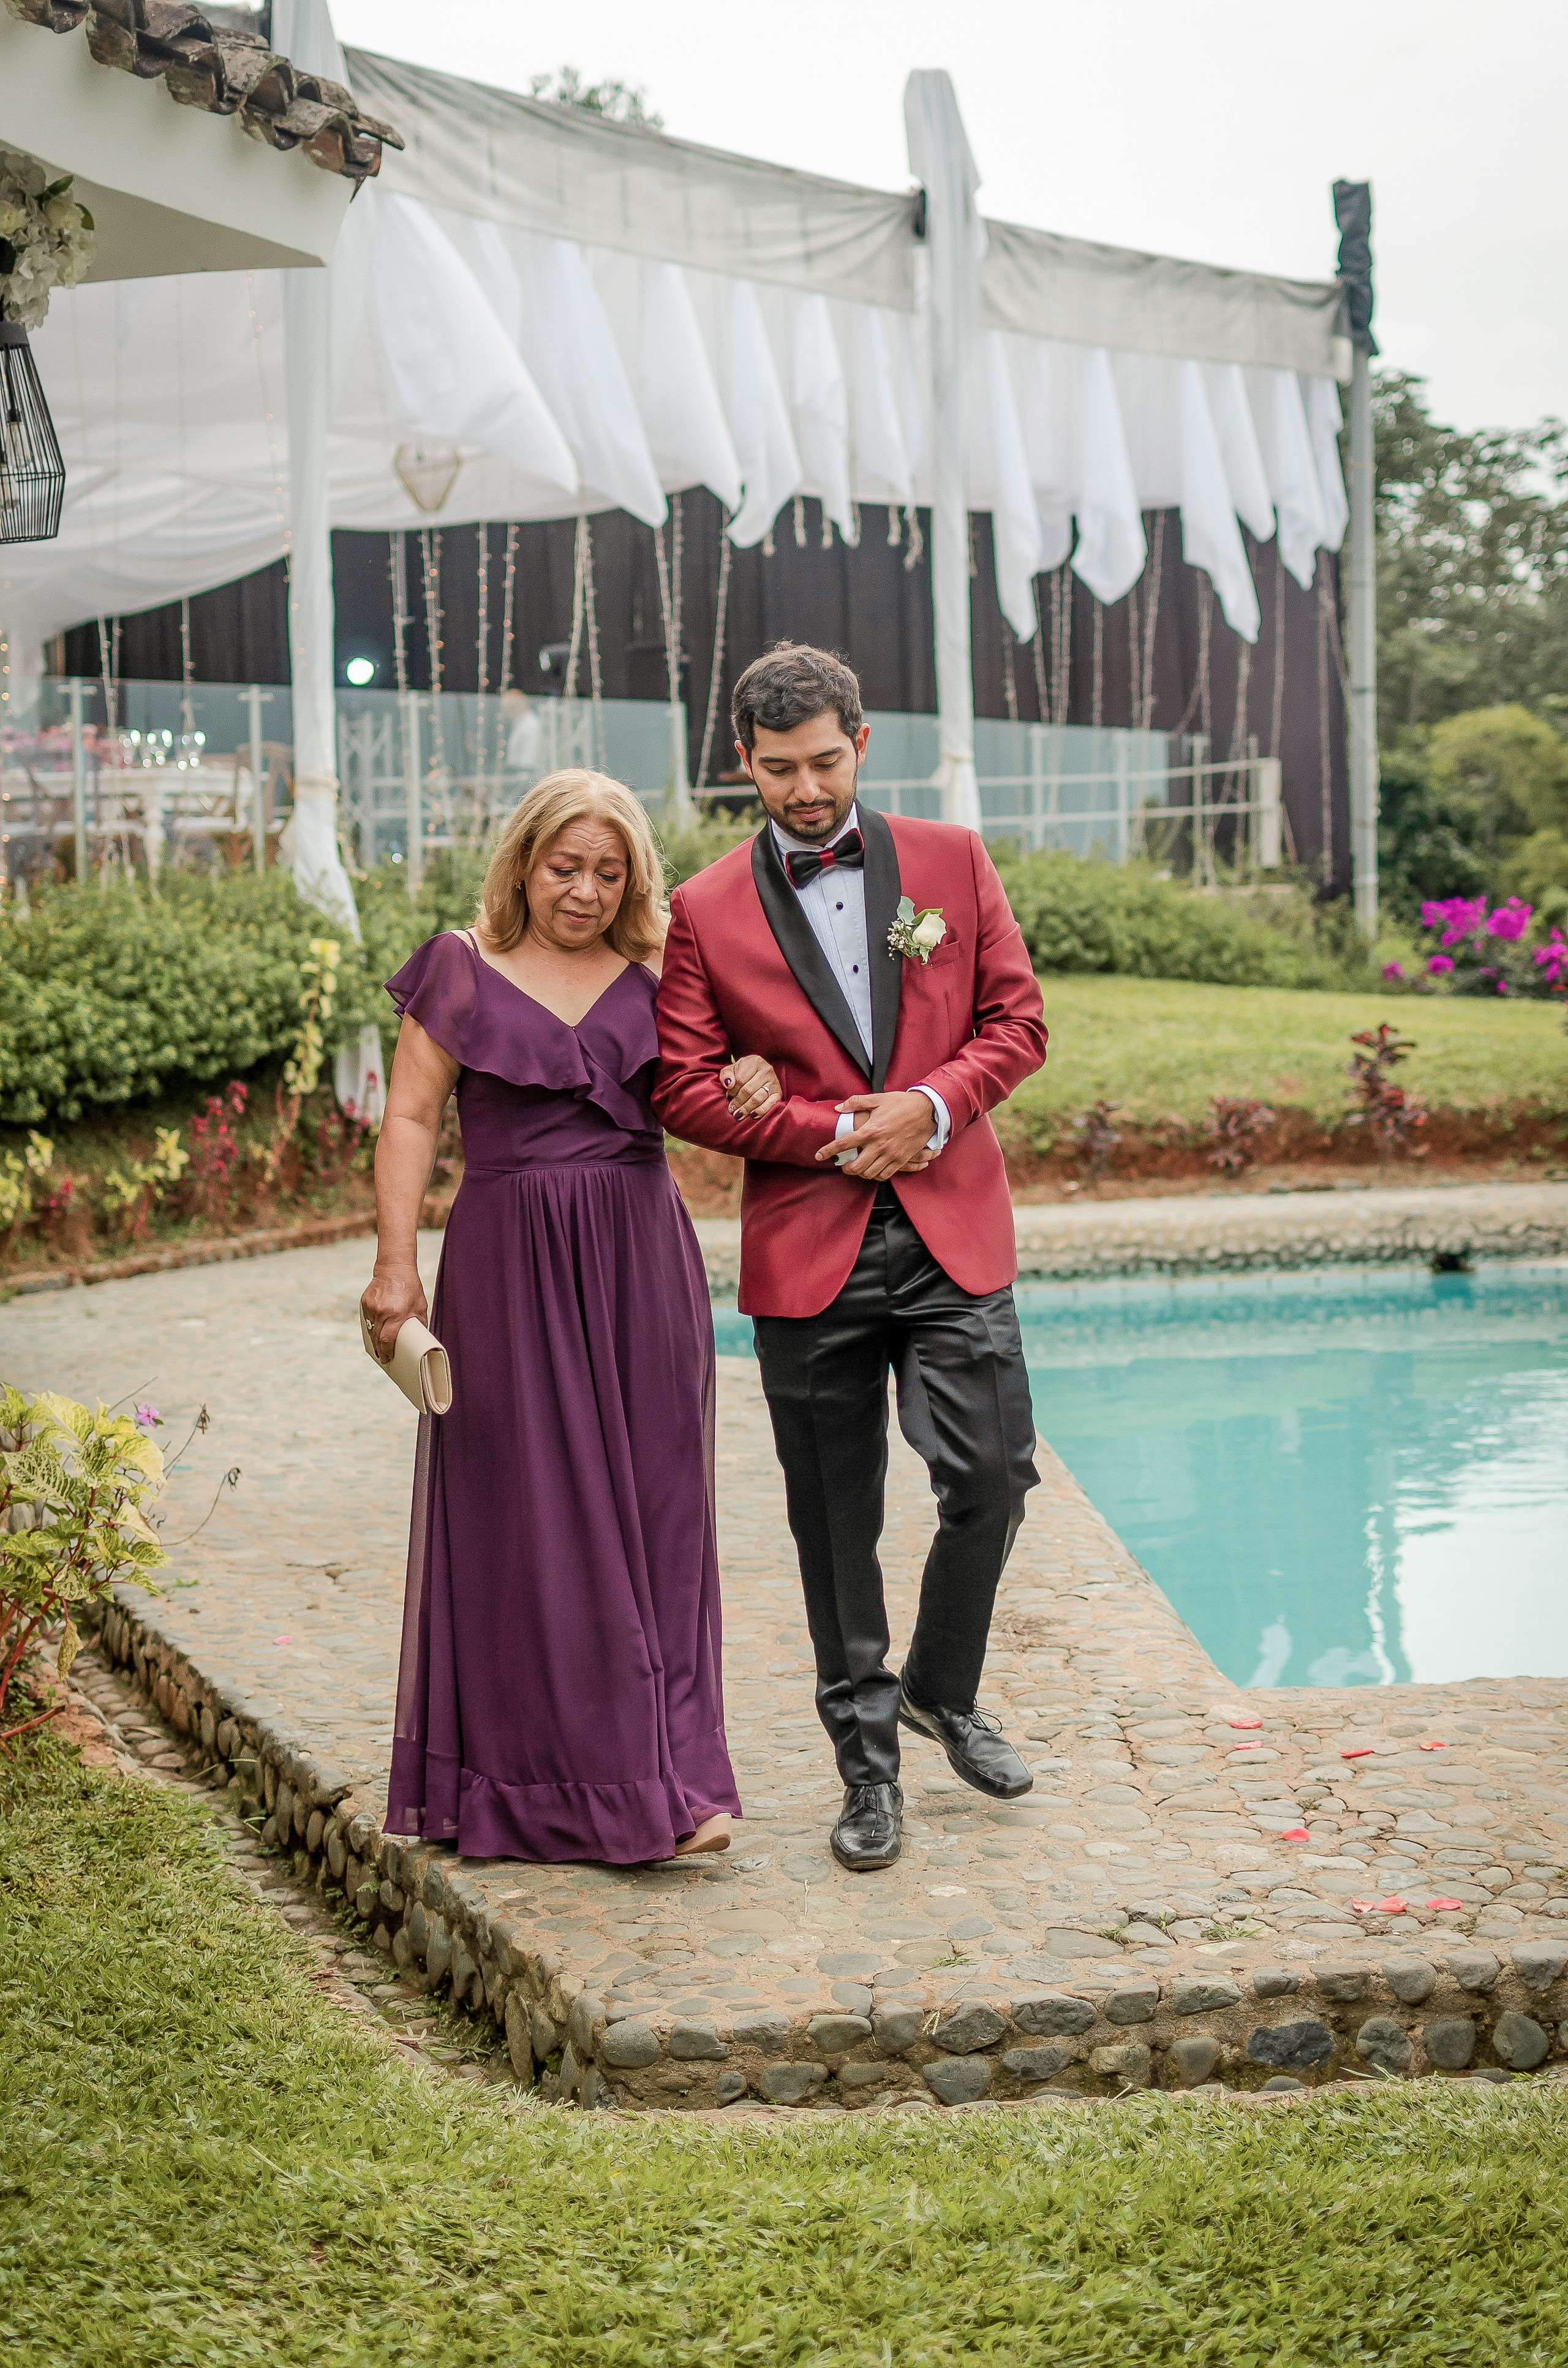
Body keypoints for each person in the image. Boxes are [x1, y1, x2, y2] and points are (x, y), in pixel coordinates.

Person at [654, 645, 1049, 1874]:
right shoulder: (700, 908)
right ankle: (866, 1772)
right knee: (836, 1525)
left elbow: (1016, 1024)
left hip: (949, 1228)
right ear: (743, 764)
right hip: (805, 1252)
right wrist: (829, 1127)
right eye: (778, 770)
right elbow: (677, 1085)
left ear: (861, 743)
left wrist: (926, 1106)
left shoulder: (950, 862)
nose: (805, 789)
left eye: (824, 762)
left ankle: (942, 1686)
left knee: (992, 1472)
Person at [361, 770, 777, 1865]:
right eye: (564, 866)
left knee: (660, 1519)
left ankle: (675, 1779)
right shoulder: (461, 967)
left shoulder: (662, 972)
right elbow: (408, 1118)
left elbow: (729, 1076)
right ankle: (546, 1786)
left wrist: (749, 1078)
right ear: (523, 861)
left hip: (642, 1261)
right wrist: (395, 1265)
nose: (585, 890)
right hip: (505, 1266)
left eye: (609, 870)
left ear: (635, 878)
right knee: (532, 1522)